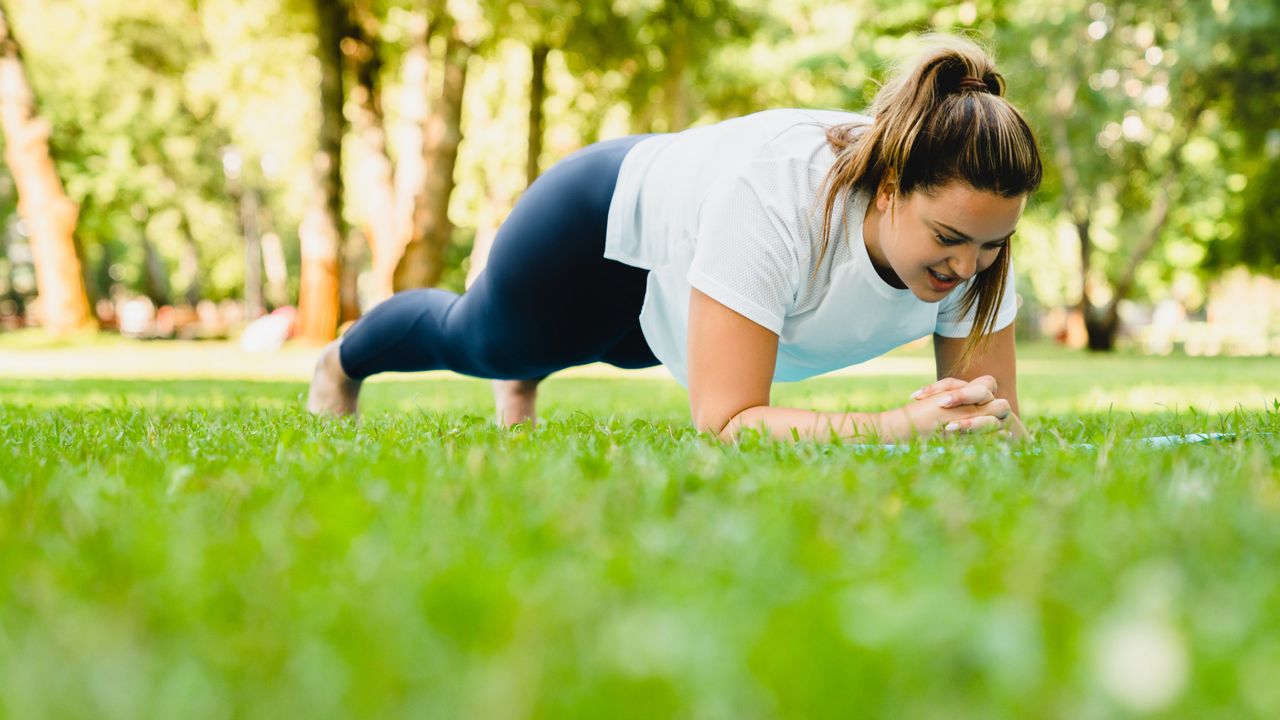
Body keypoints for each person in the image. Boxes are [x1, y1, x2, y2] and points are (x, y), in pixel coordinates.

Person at [307, 34, 1042, 443]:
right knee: (480, 340)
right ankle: (341, 364)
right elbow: (727, 421)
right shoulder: (777, 195)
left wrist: (980, 426)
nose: (968, 266)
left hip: (683, 280)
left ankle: (529, 368)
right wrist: (901, 425)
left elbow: (996, 421)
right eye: (949, 238)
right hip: (601, 236)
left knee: (622, 350)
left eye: (989, 246)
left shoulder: (981, 244)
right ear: (888, 187)